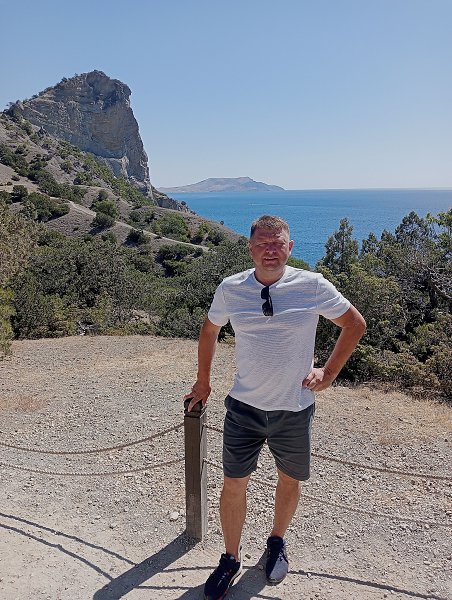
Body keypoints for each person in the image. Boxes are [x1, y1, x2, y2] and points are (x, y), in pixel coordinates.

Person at [185, 215, 366, 600]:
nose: (270, 249)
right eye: (262, 243)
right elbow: (210, 329)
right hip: (244, 408)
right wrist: (203, 380)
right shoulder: (231, 288)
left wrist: (329, 372)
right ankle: (230, 558)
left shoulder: (312, 286)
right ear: (250, 248)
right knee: (234, 483)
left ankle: (277, 542)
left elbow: (354, 324)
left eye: (277, 242)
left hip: (294, 408)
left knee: (289, 479)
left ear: (290, 247)